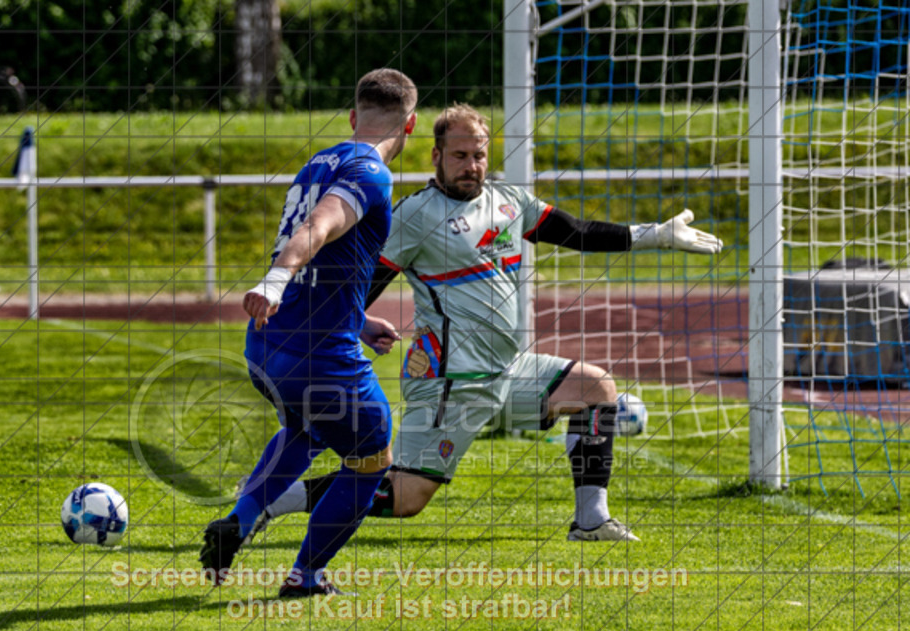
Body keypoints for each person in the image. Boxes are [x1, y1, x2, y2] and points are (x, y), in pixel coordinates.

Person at [247, 104, 722, 544]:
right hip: (448, 384)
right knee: (406, 497)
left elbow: (574, 232)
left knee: (595, 388)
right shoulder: (413, 216)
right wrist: (334, 322)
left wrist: (655, 235)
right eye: (459, 155)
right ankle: (276, 498)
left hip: (508, 372)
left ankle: (591, 520)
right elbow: (364, 282)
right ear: (436, 155)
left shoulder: (510, 201)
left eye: (478, 155)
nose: (470, 165)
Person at [199, 68, 417, 597]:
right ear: (410, 127)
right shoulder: (371, 173)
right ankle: (306, 575)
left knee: (309, 430)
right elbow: (318, 227)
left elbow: (322, 254)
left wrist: (358, 321)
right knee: (372, 457)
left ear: (351, 117)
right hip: (318, 356)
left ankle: (240, 518)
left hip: (268, 344)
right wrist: (274, 282)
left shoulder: (318, 162)